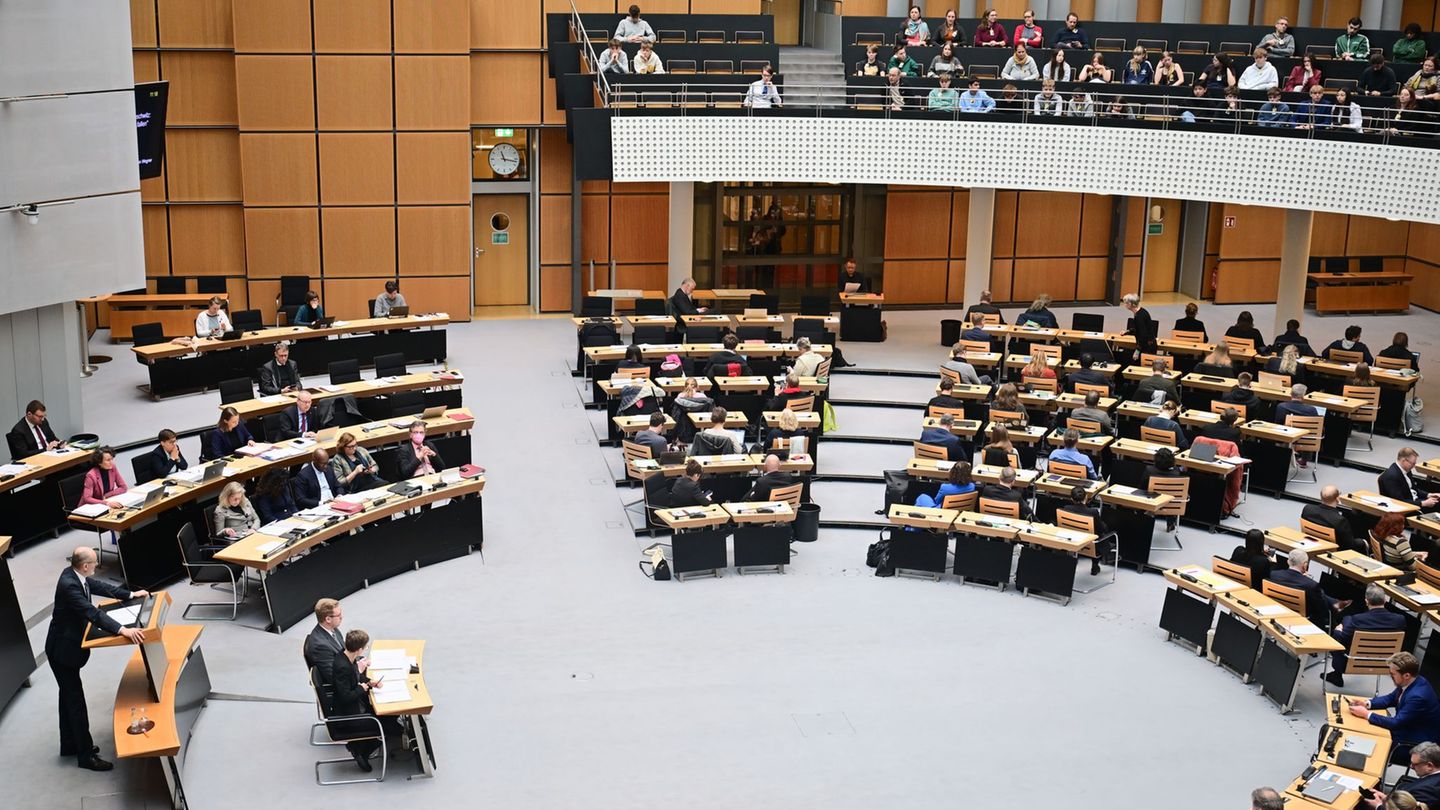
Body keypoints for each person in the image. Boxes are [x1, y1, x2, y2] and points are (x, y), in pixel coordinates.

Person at [46, 546, 148, 771]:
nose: (97, 565)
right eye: (94, 563)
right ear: (84, 566)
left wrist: (130, 594)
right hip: (62, 651)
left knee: (67, 697)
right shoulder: (69, 586)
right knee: (75, 702)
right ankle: (85, 755)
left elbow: (98, 585)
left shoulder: (74, 574)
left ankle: (69, 744)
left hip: (65, 647)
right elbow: (92, 613)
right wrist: (123, 630)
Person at [329, 628, 403, 772]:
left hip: (355, 706)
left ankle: (359, 746)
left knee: (392, 716)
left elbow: (355, 676)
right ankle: (361, 751)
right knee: (389, 725)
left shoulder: (346, 657)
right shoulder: (342, 666)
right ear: (359, 649)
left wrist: (369, 682)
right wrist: (361, 688)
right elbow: (345, 696)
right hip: (348, 716)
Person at [1349, 652, 1440, 764]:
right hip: (1405, 728)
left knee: (1369, 744)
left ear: (1406, 675)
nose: (1390, 676)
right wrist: (1366, 703)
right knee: (1364, 732)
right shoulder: (1412, 681)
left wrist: (1366, 714)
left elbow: (1396, 723)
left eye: (1393, 674)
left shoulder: (1418, 697)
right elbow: (1391, 698)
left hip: (1413, 743)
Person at [1328, 584, 1408, 684]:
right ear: (1385, 601)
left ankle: (1337, 675)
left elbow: (1342, 638)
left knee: (1337, 635)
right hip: (1385, 663)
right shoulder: (1400, 620)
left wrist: (1337, 631)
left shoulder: (1355, 620)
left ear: (1366, 602)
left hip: (1354, 663)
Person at [1271, 549, 1349, 628]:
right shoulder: (1311, 585)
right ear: (1305, 565)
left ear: (1288, 562)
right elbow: (1323, 611)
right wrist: (1308, 580)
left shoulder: (1273, 574)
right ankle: (1335, 604)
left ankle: (1335, 603)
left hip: (1278, 613)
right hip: (1303, 621)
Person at [1058, 486, 1109, 575]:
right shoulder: (1093, 512)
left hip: (1072, 542)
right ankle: (1095, 565)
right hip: (1090, 545)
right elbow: (1102, 528)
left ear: (1071, 498)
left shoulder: (1066, 508)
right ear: (1086, 497)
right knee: (1100, 535)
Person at [1303, 485, 1361, 552]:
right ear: (1337, 499)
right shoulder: (1340, 520)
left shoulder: (1307, 509)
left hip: (1312, 545)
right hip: (1334, 551)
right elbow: (1350, 545)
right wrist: (1362, 541)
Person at [304, 598, 346, 689]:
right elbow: (334, 678)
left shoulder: (333, 629)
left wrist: (359, 659)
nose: (341, 617)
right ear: (328, 619)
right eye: (338, 615)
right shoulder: (320, 646)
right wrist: (358, 669)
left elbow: (345, 652)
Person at [1121, 292, 1156, 357]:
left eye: (1125, 303)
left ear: (1130, 304)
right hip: (1147, 344)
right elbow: (1137, 329)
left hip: (1147, 347)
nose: (1124, 305)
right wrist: (1127, 332)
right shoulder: (1140, 311)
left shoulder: (1139, 316)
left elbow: (1143, 335)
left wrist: (1137, 350)